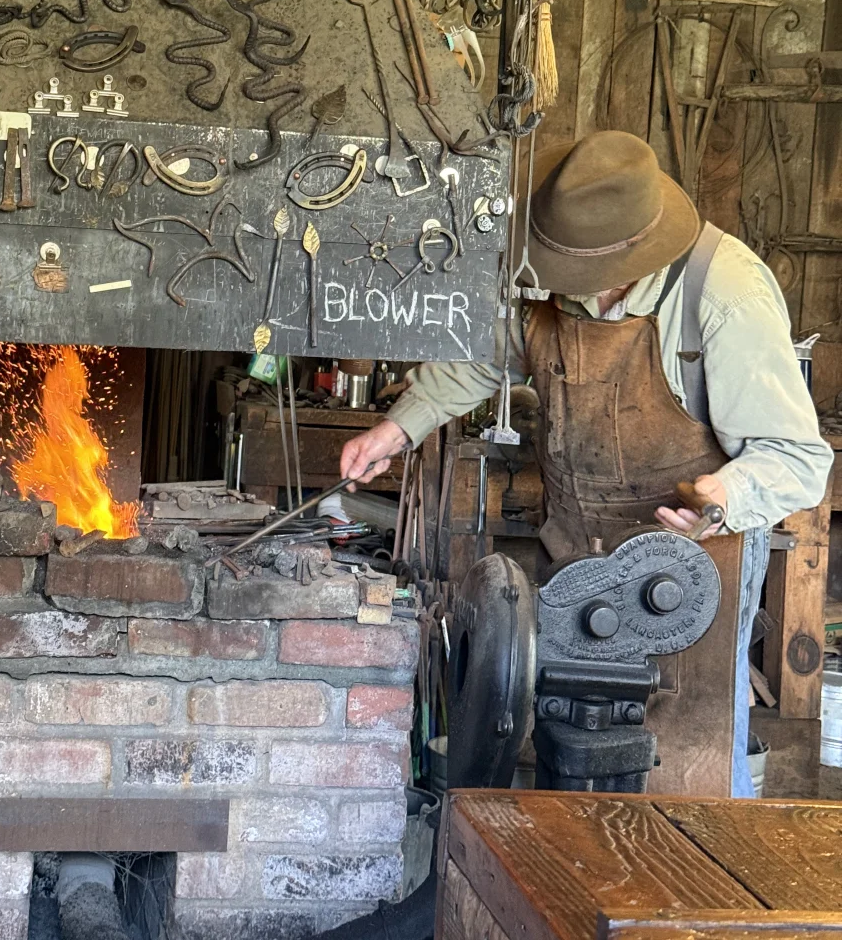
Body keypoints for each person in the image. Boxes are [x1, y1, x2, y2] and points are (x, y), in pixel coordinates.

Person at [340, 131, 833, 797]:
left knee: (687, 756)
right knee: (569, 737)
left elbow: (798, 458)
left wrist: (723, 494)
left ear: (626, 256)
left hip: (687, 570)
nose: (553, 282)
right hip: (576, 553)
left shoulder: (724, 295)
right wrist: (397, 428)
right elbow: (484, 358)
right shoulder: (550, 281)